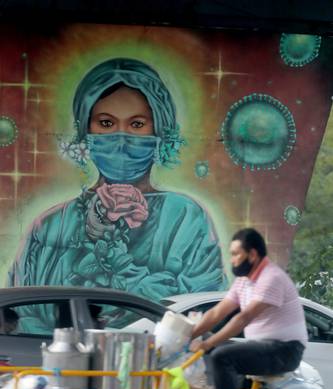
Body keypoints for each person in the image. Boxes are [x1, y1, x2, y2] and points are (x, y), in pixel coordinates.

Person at [8, 58, 227, 333]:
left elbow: (203, 310)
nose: (121, 138)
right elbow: (21, 315)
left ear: (159, 130)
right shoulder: (50, 224)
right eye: (106, 123)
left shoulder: (185, 218)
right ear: (86, 131)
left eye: (137, 124)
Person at [190, 227, 307, 389]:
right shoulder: (245, 281)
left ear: (252, 254)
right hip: (262, 347)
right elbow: (218, 312)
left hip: (284, 350)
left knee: (220, 355)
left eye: (235, 255)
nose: (231, 260)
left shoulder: (272, 278)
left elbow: (243, 318)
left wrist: (209, 342)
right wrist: (186, 334)